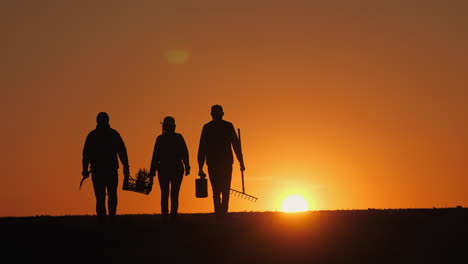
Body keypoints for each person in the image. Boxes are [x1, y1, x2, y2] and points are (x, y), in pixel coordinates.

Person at [197, 105, 245, 222]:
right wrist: (241, 162)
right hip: (224, 163)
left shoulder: (208, 127)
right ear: (222, 114)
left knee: (217, 190)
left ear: (212, 114)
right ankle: (222, 213)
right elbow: (236, 146)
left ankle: (219, 214)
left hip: (215, 163)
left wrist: (200, 167)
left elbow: (202, 148)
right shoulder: (227, 126)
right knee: (224, 189)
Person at [82, 112, 130, 226]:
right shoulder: (112, 134)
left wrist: (84, 170)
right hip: (106, 171)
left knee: (103, 197)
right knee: (107, 196)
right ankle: (108, 220)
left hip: (104, 171)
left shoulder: (93, 135)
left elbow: (86, 155)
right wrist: (126, 167)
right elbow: (122, 152)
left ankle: (104, 221)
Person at [149, 116, 190, 224]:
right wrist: (187, 166)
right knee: (174, 193)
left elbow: (155, 156)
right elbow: (185, 153)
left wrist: (152, 170)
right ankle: (172, 216)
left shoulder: (161, 139)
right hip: (175, 168)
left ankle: (166, 216)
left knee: (165, 193)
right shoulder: (178, 137)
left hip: (164, 169)